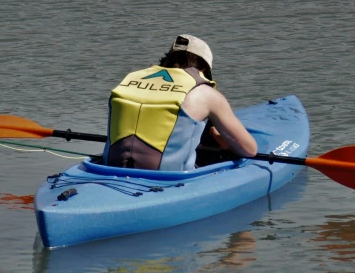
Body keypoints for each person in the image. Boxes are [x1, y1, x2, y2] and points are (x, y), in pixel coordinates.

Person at [102, 35, 258, 171]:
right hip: (167, 176)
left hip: (111, 166)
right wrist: (221, 139)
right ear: (203, 68)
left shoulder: (131, 78)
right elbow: (249, 150)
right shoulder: (205, 93)